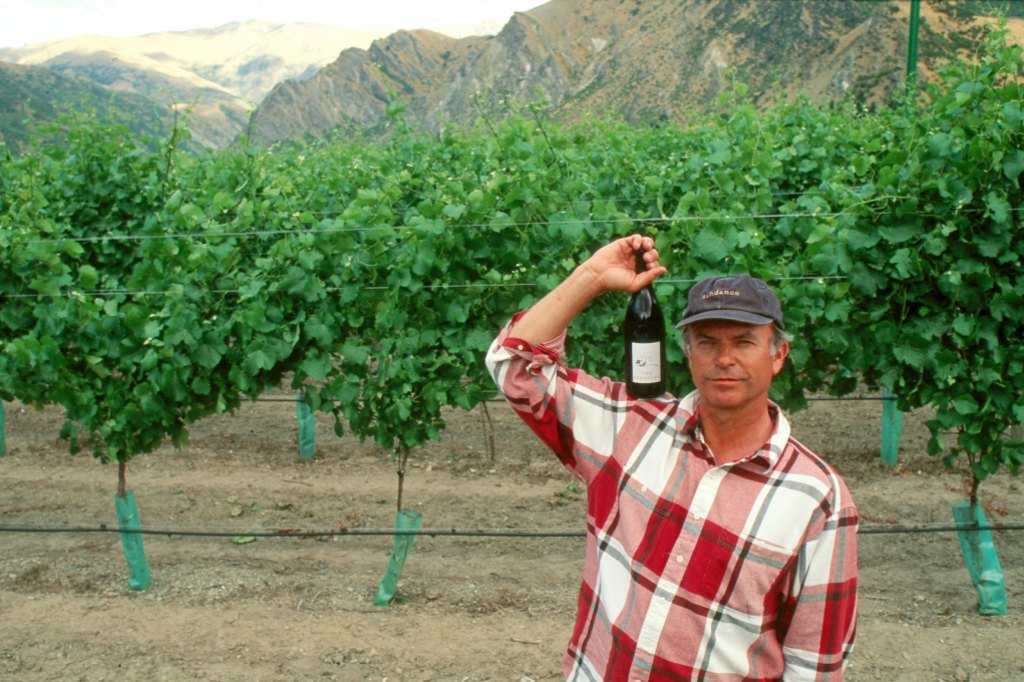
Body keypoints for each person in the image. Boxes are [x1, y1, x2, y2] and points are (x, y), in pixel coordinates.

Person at [485, 234, 858, 681]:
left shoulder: (819, 498)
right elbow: (515, 367)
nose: (724, 358)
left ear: (778, 355)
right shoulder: (629, 425)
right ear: (686, 352)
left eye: (743, 342)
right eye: (706, 342)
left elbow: (813, 667)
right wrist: (592, 277)